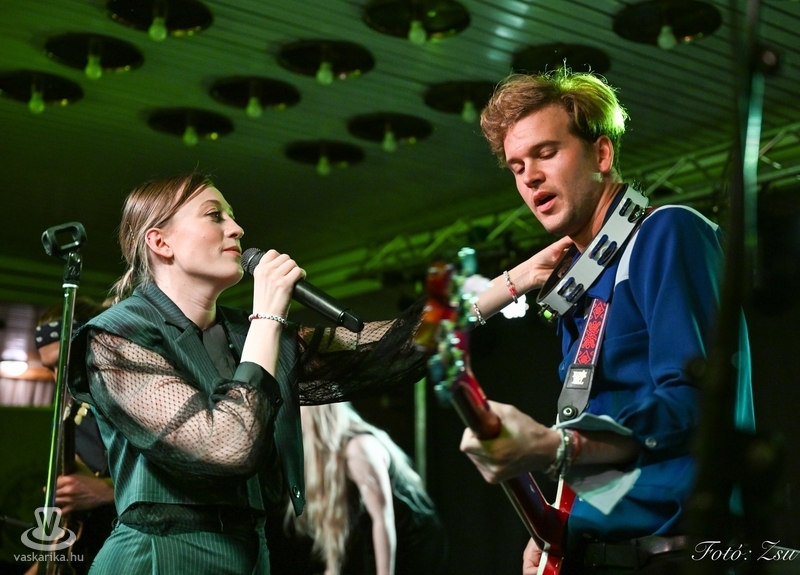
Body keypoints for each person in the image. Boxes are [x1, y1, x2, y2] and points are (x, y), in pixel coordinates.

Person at [458, 70, 754, 574]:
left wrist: (557, 446)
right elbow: (602, 433)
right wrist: (561, 524)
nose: (529, 177)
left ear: (601, 154)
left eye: (546, 153)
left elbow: (699, 400)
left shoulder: (667, 231)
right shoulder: (579, 283)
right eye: (516, 166)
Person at [66, 173, 427, 575]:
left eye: (232, 216)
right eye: (214, 215)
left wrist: (485, 295)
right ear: (160, 242)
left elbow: (387, 349)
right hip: (160, 555)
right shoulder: (116, 335)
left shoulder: (241, 332)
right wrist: (268, 318)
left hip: (249, 553)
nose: (237, 228)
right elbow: (226, 446)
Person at [284, 403, 446, 575]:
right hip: (389, 539)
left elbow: (383, 519)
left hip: (415, 541)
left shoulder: (358, 448)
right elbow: (333, 523)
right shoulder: (326, 458)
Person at [26, 297, 115, 575]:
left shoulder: (138, 402)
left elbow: (189, 483)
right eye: (50, 368)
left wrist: (106, 491)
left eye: (62, 364)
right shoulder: (75, 411)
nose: (57, 379)